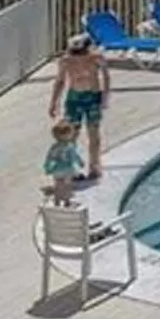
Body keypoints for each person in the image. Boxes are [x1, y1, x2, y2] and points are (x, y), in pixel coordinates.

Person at [49, 34, 111, 179]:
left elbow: (106, 76)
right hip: (75, 98)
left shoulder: (97, 58)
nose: (79, 57)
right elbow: (60, 81)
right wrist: (54, 102)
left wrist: (105, 97)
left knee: (93, 132)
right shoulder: (66, 60)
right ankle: (72, 168)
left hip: (92, 97)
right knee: (71, 134)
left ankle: (94, 165)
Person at [44, 120, 85, 203]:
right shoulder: (69, 146)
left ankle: (58, 199)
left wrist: (48, 166)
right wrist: (80, 162)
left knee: (59, 184)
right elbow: (75, 156)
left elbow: (50, 157)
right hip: (67, 169)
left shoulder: (55, 147)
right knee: (67, 184)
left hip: (58, 169)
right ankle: (66, 199)